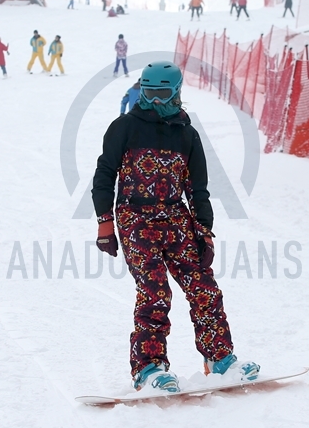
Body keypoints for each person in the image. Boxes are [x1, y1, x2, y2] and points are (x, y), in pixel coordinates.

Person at [91, 59, 260, 393]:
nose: (155, 101)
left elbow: (198, 191)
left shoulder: (187, 135)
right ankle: (149, 368)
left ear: (177, 92)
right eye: (149, 93)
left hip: (175, 217)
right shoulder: (123, 127)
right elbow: (104, 176)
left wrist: (205, 232)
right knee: (155, 291)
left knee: (204, 287)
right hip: (135, 218)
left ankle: (219, 358)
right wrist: (105, 224)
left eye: (162, 94)